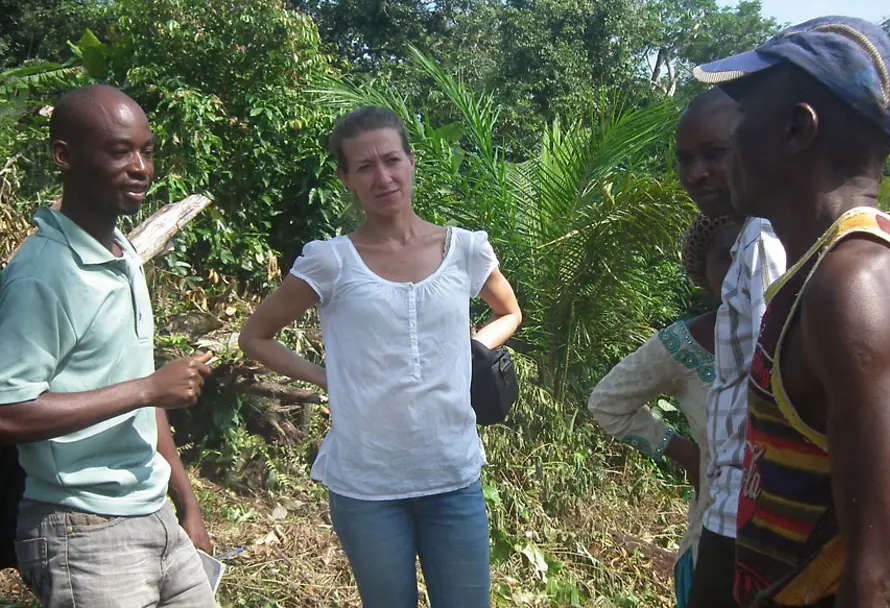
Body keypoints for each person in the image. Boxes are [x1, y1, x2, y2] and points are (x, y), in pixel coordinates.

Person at [694, 15, 890, 608]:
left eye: (743, 117)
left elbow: (889, 577)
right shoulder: (838, 267)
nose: (729, 144)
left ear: (796, 129)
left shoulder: (853, 287)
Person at [239, 106, 522, 608]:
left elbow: (509, 312)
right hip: (367, 484)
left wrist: (471, 350)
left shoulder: (465, 249)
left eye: (392, 159)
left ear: (412, 161)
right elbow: (255, 336)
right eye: (364, 167)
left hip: (452, 477)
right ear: (346, 178)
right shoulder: (330, 260)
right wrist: (329, 379)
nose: (383, 176)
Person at [0, 85, 217, 607]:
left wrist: (186, 503)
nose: (140, 167)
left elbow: (144, 395)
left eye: (147, 151)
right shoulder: (41, 275)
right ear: (64, 157)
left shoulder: (123, 255)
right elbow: (7, 413)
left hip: (154, 516)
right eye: (120, 151)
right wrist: (147, 388)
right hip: (82, 531)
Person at [588, 212, 741, 608]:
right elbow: (608, 403)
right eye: (726, 257)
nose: (742, 267)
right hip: (717, 546)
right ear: (702, 273)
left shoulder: (804, 331)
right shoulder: (686, 345)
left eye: (752, 253)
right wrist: (687, 454)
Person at [675, 88, 787, 608]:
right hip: (731, 497)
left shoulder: (765, 244)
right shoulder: (746, 242)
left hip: (751, 504)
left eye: (714, 153)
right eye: (686, 159)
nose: (697, 173)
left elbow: (773, 378)